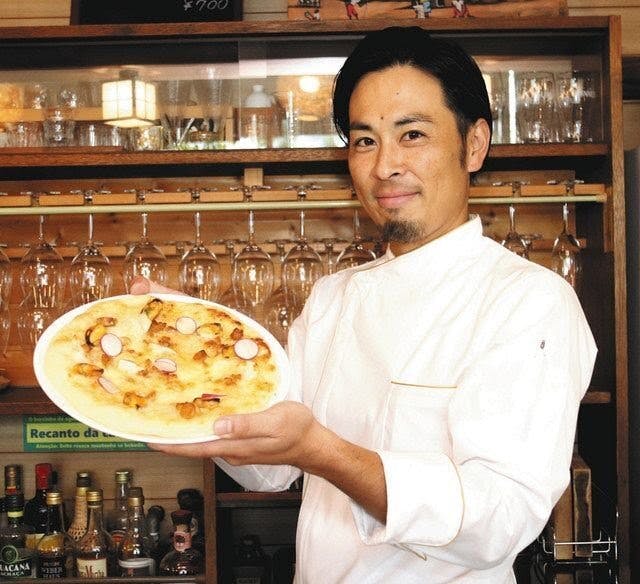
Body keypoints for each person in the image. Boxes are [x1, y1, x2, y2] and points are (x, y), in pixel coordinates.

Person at [132, 26, 596, 583]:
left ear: (474, 144)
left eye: (413, 134)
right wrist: (194, 362)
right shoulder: (334, 296)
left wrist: (323, 453)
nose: (384, 167)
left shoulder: (530, 301)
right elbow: (271, 469)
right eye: (365, 141)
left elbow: (498, 520)